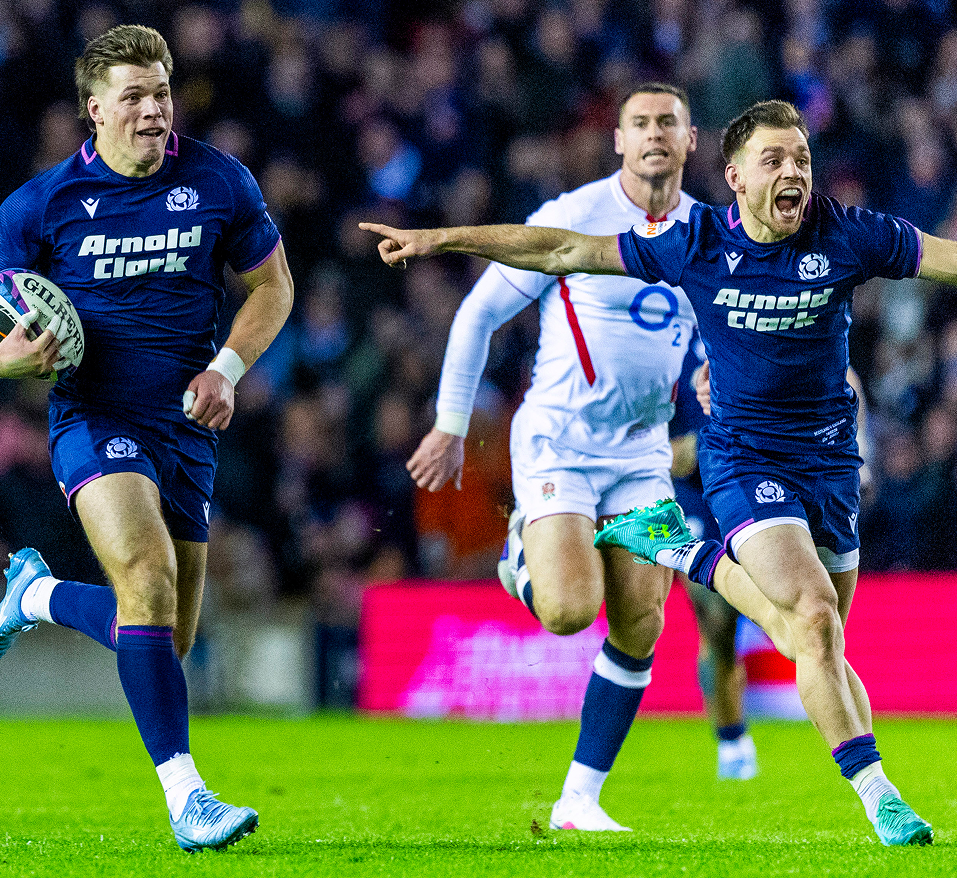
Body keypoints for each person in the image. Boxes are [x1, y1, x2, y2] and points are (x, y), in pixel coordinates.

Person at [360, 99, 945, 846]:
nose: (793, 171)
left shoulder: (848, 233)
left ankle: (679, 559)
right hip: (737, 461)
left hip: (827, 463)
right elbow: (560, 251)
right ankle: (878, 796)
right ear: (733, 176)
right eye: (774, 160)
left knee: (816, 642)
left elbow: (942, 256)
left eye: (800, 158)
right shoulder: (693, 241)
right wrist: (443, 238)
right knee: (808, 615)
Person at [0, 25, 294, 852]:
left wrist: (229, 369)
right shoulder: (34, 209)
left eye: (161, 91)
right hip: (96, 418)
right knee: (147, 581)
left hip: (188, 426)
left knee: (168, 635)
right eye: (133, 95)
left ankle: (36, 595)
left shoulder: (218, 181)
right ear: (93, 110)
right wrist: (10, 358)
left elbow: (273, 286)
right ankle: (188, 799)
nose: (153, 109)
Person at [406, 82, 702, 831]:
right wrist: (448, 424)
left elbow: (704, 338)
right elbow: (479, 313)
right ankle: (519, 554)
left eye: (668, 122)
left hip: (641, 454)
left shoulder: (709, 233)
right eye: (639, 123)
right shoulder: (573, 218)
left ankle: (579, 800)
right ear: (618, 141)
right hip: (557, 440)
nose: (654, 135)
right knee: (571, 611)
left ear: (691, 140)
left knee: (640, 622)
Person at [669, 331, 757, 780]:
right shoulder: (664, 327)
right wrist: (670, 453)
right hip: (695, 493)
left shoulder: (750, 304)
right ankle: (731, 738)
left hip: (755, 472)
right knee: (716, 621)